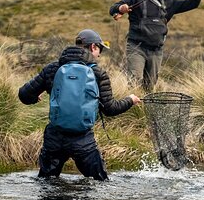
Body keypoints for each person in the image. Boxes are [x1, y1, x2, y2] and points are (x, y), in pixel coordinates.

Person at [18, 29, 141, 181]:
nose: (99, 54)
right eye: (100, 49)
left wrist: (34, 98)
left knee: (46, 183)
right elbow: (110, 109)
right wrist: (130, 100)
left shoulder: (52, 69)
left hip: (54, 139)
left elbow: (24, 95)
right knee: (99, 183)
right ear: (93, 47)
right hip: (83, 141)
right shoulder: (98, 74)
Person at [109, 0, 204, 91]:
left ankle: (144, 110)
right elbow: (113, 8)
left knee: (149, 87)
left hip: (156, 51)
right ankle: (132, 109)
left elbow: (193, 3)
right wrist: (121, 8)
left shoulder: (169, 3)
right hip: (137, 48)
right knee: (134, 83)